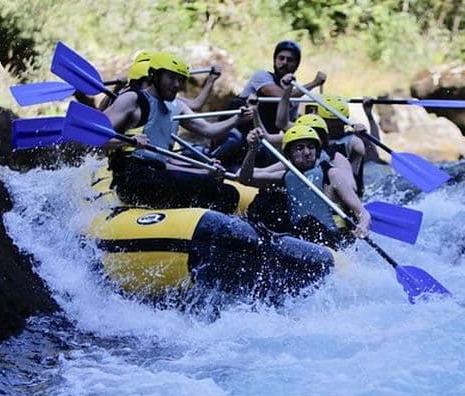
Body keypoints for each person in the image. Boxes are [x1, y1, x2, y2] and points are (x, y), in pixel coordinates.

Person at [103, 51, 252, 212]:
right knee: (219, 192)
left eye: (180, 80)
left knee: (226, 191)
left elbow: (209, 130)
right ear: (155, 75)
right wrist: (127, 141)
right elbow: (97, 137)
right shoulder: (132, 99)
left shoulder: (176, 106)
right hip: (132, 178)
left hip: (157, 174)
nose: (176, 85)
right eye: (171, 78)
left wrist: (237, 119)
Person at [237, 124, 371, 250]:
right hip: (300, 239)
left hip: (333, 239)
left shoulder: (331, 174)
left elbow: (363, 213)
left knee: (308, 223)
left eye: (311, 147)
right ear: (289, 155)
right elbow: (246, 179)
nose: (307, 152)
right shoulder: (287, 177)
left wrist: (362, 226)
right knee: (266, 201)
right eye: (299, 148)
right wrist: (252, 149)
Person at [212, 40, 327, 167]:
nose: (284, 63)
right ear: (274, 60)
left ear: (296, 65)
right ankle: (212, 160)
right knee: (234, 141)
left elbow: (283, 125)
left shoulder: (296, 95)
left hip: (260, 138)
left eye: (290, 60)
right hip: (234, 130)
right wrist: (314, 83)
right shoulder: (262, 76)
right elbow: (280, 96)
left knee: (274, 153)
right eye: (281, 58)